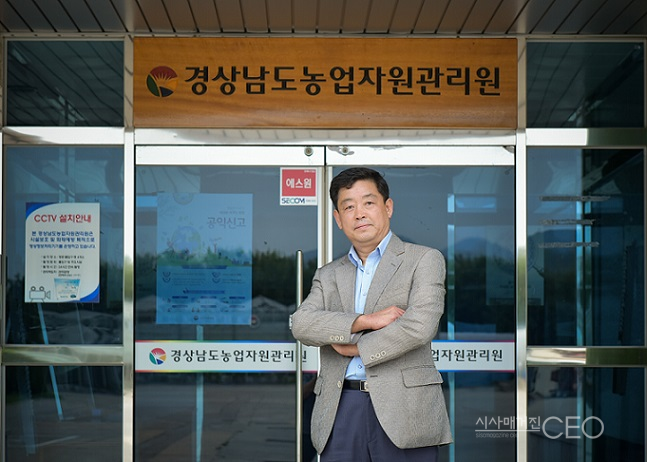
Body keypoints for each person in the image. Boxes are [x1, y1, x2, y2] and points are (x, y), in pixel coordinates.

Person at [291, 167, 453, 461]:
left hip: (405, 409)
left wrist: (354, 348)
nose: (359, 214)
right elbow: (301, 323)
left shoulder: (424, 259)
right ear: (338, 219)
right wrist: (364, 321)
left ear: (387, 207)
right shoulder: (328, 274)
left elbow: (419, 326)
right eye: (348, 207)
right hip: (341, 407)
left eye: (368, 202)